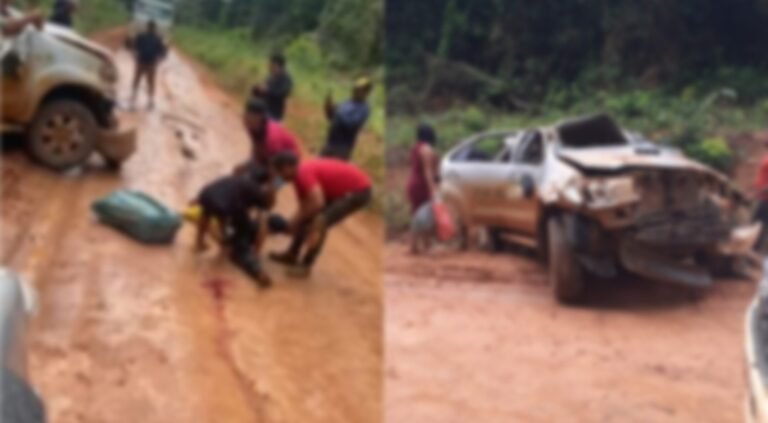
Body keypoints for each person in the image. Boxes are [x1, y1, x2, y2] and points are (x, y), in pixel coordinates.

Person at [269, 152, 372, 277]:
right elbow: (304, 207)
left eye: (280, 174)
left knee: (320, 221)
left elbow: (318, 202)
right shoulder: (297, 178)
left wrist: (295, 221)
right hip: (341, 190)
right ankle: (292, 254)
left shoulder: (302, 174)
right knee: (306, 218)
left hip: (358, 191)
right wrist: (295, 222)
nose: (279, 178)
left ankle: (306, 266)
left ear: (288, 168)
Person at [194, 166, 276, 287]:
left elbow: (210, 213)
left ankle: (201, 243)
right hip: (228, 206)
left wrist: (203, 240)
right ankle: (257, 271)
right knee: (241, 244)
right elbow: (263, 227)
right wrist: (256, 253)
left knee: (217, 214)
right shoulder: (259, 196)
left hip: (206, 193)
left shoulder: (241, 181)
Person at [235, 98, 301, 172]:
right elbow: (256, 148)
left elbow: (275, 167)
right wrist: (249, 165)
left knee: (256, 178)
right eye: (244, 116)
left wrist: (273, 182)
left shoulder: (272, 137)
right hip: (268, 158)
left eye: (247, 117)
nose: (244, 119)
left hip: (286, 167)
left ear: (258, 118)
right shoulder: (252, 126)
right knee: (240, 170)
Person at [320, 77, 372, 161]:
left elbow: (351, 124)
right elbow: (332, 117)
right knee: (318, 166)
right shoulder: (346, 102)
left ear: (366, 93)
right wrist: (328, 108)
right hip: (330, 143)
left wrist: (338, 111)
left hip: (342, 147)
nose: (356, 91)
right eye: (356, 89)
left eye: (360, 90)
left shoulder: (363, 108)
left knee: (335, 171)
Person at [406, 124, 440, 254]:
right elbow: (427, 172)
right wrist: (433, 189)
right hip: (422, 185)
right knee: (427, 216)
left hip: (412, 183)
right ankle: (427, 245)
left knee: (416, 215)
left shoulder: (415, 147)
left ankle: (413, 246)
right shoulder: (427, 149)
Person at [130, 20, 167, 110]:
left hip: (143, 62)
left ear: (148, 27)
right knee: (148, 82)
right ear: (154, 28)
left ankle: (136, 98)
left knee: (139, 80)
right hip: (148, 63)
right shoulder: (156, 38)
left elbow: (134, 46)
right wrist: (159, 59)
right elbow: (163, 51)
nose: (151, 29)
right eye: (152, 27)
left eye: (151, 27)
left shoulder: (143, 36)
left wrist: (134, 55)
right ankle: (147, 100)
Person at [252, 53, 293, 121]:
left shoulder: (286, 79)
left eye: (270, 64)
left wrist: (267, 90)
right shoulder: (270, 77)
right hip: (263, 110)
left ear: (276, 64)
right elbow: (260, 91)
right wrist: (258, 89)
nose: (268, 66)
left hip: (274, 114)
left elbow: (282, 93)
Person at [754, 140, 768, 251]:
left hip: (765, 198)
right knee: (758, 225)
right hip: (762, 196)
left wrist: (761, 191)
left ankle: (756, 251)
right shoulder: (766, 156)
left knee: (757, 226)